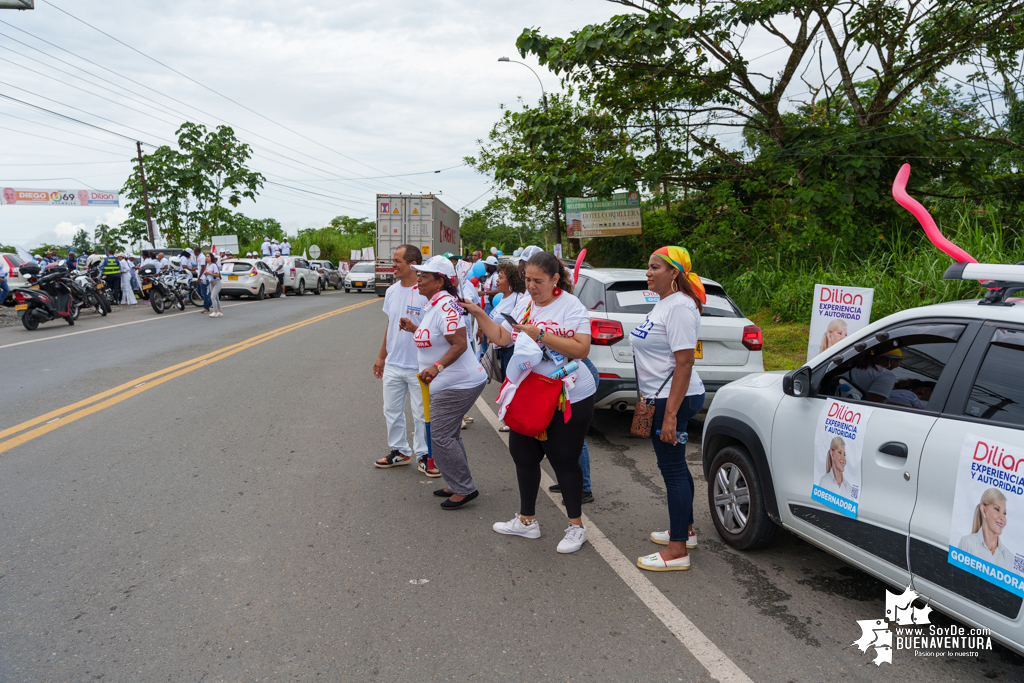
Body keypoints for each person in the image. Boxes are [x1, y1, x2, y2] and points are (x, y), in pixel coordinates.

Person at [464, 251, 596, 554]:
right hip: (531, 390)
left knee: (564, 459)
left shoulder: (571, 306)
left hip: (569, 394)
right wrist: (478, 314)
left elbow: (581, 349)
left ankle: (576, 527)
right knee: (523, 454)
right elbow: (502, 337)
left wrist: (543, 335)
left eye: (538, 281)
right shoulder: (525, 303)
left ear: (554, 279)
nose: (532, 286)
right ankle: (527, 521)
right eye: (527, 280)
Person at [631, 246, 707, 572]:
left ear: (674, 272)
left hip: (673, 399)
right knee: (674, 467)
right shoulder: (664, 304)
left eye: (655, 267)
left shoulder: (679, 307)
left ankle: (677, 551)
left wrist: (672, 415)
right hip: (657, 398)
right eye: (648, 267)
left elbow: (685, 362)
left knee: (673, 470)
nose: (648, 272)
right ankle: (685, 531)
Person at [407, 255, 488, 508]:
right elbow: (436, 336)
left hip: (459, 383)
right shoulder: (435, 304)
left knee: (440, 436)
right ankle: (457, 482)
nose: (418, 280)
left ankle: (464, 488)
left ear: (440, 281)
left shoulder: (444, 305)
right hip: (448, 382)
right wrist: (413, 328)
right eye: (418, 275)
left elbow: (460, 344)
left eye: (424, 276)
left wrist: (437, 366)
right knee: (448, 435)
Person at [372, 245, 432, 475]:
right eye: (393, 260)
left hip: (419, 364)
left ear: (412, 264)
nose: (393, 265)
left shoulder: (425, 292)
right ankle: (400, 451)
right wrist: (381, 356)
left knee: (420, 414)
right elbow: (391, 324)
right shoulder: (392, 291)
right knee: (392, 411)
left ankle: (425, 455)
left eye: (397, 261)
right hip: (395, 364)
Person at [957, 488, 1014, 570]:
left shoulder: (1010, 559)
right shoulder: (966, 544)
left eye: (1004, 513)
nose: (1002, 518)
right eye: (997, 509)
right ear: (984, 510)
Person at [205, 252, 223, 317]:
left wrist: (210, 274)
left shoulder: (214, 265)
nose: (206, 258)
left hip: (217, 282)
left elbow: (217, 274)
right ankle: (220, 311)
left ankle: (214, 311)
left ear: (211, 258)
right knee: (216, 298)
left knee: (212, 297)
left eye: (208, 256)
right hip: (211, 283)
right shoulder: (207, 265)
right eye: (206, 256)